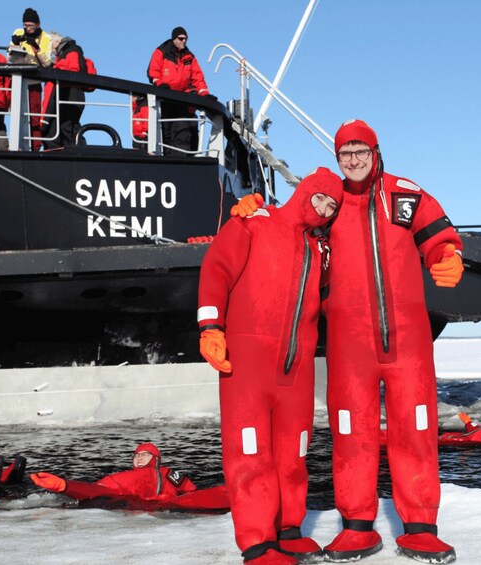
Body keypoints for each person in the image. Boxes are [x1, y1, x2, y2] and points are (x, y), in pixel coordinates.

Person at [232, 119, 464, 563]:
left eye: (360, 151)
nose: (353, 160)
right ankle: (357, 525)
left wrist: (447, 255)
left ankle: (420, 526)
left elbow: (438, 236)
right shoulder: (332, 205)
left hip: (408, 341)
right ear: (338, 159)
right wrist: (256, 210)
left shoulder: (405, 194)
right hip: (348, 344)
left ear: (376, 152)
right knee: (350, 430)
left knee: (414, 427)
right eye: (345, 154)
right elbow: (291, 224)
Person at [198, 168, 342, 565]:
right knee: (250, 452)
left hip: (296, 369)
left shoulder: (320, 250)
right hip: (248, 363)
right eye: (319, 199)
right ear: (305, 192)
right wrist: (210, 326)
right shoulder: (255, 222)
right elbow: (216, 269)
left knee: (293, 453)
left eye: (332, 206)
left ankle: (287, 529)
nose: (323, 209)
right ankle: (258, 543)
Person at [29, 443, 227, 512]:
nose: (140, 458)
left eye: (145, 455)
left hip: (170, 506)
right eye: (137, 455)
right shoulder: (128, 478)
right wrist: (66, 486)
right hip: (145, 507)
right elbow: (101, 490)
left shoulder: (168, 473)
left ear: (156, 459)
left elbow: (192, 491)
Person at [146, 26, 212, 155]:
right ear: (174, 39)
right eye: (181, 38)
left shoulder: (189, 57)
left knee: (182, 130)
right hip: (166, 98)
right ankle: (167, 158)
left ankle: (181, 158)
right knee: (165, 131)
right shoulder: (161, 52)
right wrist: (159, 84)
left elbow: (197, 77)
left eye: (186, 39)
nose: (184, 41)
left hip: (183, 100)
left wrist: (204, 93)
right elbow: (153, 70)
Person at [8, 8, 52, 150]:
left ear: (37, 25)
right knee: (16, 114)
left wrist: (36, 48)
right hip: (17, 80)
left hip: (34, 81)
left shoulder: (46, 38)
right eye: (25, 25)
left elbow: (47, 63)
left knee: (34, 115)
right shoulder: (18, 33)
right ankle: (17, 145)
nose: (27, 29)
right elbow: (10, 58)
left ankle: (35, 145)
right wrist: (14, 45)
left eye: (30, 26)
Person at [40, 33, 88, 149]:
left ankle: (76, 151)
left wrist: (56, 66)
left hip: (72, 93)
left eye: (51, 47)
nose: (51, 50)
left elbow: (73, 68)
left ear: (56, 43)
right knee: (65, 126)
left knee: (68, 126)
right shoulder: (66, 52)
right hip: (68, 93)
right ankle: (73, 150)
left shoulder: (72, 50)